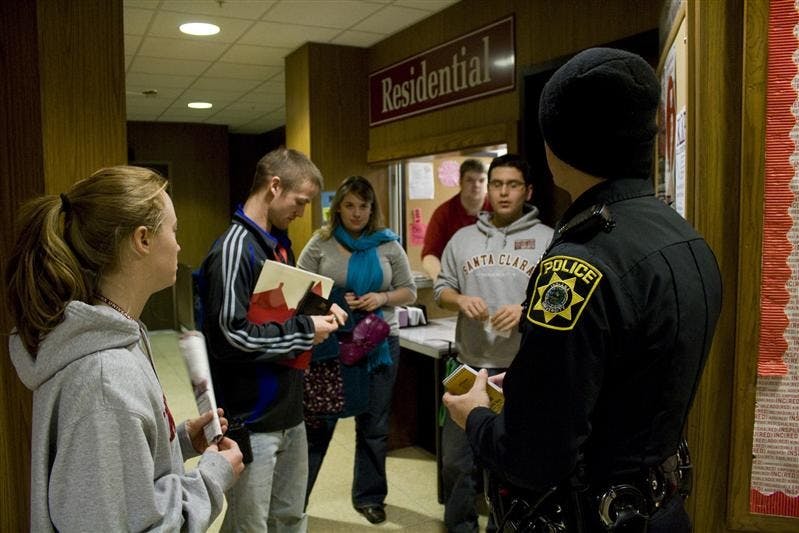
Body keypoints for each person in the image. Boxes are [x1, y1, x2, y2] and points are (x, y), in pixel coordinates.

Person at [443, 48, 723, 532]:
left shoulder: (576, 263)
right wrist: (535, 386)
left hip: (584, 514)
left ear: (556, 146)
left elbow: (534, 456)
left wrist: (476, 418)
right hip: (662, 505)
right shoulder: (684, 236)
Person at [5, 166, 244, 531]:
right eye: (173, 230)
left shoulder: (117, 337)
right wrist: (211, 477)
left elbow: (117, 488)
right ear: (143, 239)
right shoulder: (104, 379)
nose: (179, 244)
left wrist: (176, 443)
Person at [199, 148, 343, 532]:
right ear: (274, 186)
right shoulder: (234, 249)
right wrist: (307, 330)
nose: (302, 212)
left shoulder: (278, 243)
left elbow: (282, 306)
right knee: (250, 525)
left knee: (290, 517)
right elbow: (229, 337)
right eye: (300, 202)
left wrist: (320, 309)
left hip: (288, 409)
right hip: (252, 416)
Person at [434, 154, 554, 533]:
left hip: (522, 372)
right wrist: (459, 300)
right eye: (497, 184)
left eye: (513, 185)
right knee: (457, 462)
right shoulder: (463, 239)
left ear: (528, 191)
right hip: (470, 367)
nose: (503, 192)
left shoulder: (549, 239)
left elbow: (560, 300)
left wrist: (526, 310)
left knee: (511, 464)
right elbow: (440, 289)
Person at [297, 175, 417, 524]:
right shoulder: (321, 243)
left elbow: (408, 291)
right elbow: (300, 293)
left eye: (363, 206)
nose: (357, 213)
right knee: (321, 424)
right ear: (338, 208)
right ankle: (294, 500)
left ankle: (369, 496)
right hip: (332, 345)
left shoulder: (388, 245)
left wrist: (380, 297)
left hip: (380, 340)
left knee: (375, 424)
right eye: (349, 205)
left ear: (372, 209)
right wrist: (333, 302)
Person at [421, 159, 490, 280]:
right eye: (470, 180)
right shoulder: (443, 213)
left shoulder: (498, 210)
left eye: (481, 180)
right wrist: (444, 283)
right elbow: (430, 255)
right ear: (460, 182)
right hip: (456, 280)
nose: (476, 185)